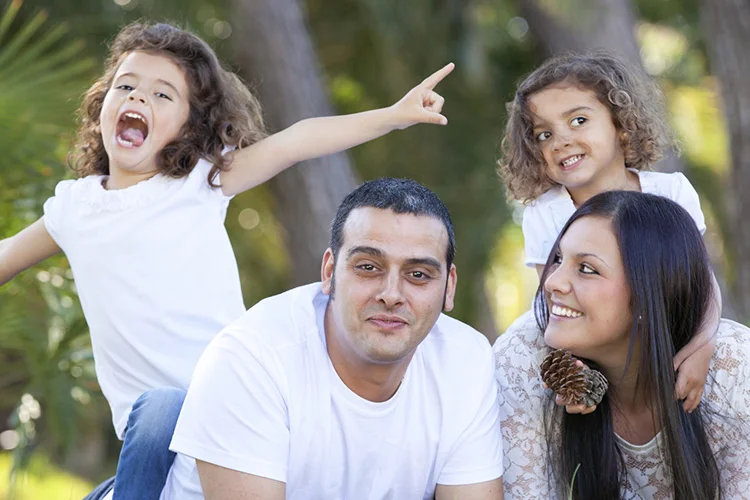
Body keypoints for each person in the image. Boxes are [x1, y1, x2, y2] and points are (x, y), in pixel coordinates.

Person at [0, 21, 456, 500]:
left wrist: (392, 115)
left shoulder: (199, 184)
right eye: (126, 86)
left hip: (232, 404)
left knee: (168, 410)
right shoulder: (75, 208)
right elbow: (7, 256)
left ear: (189, 124)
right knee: (157, 411)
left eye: (162, 95)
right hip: (154, 434)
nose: (138, 99)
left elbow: (298, 140)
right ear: (103, 103)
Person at [160, 178, 504, 500]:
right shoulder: (252, 357)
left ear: (449, 287)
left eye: (418, 275)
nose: (391, 294)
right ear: (329, 272)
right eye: (368, 267)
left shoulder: (466, 362)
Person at [497, 52, 720, 413]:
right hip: (581, 338)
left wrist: (704, 343)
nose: (561, 141)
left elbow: (702, 283)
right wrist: (571, 374)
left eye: (579, 120)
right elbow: (551, 301)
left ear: (622, 125)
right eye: (544, 134)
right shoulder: (545, 212)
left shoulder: (671, 192)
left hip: (667, 328)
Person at [494, 190, 750, 499]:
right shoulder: (523, 357)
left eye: (587, 269)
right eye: (558, 259)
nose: (551, 282)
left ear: (649, 292)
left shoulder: (733, 369)